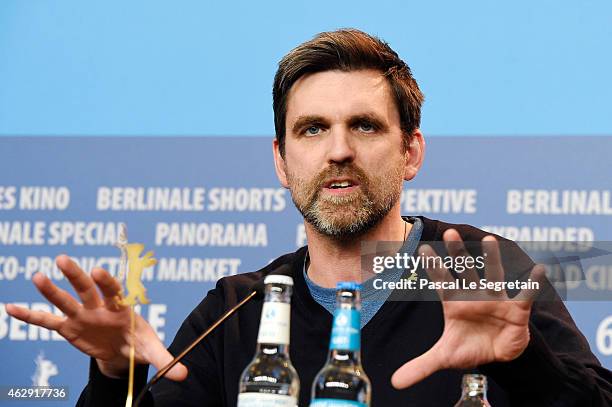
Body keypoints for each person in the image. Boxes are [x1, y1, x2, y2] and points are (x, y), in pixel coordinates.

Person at [5, 29, 611, 406]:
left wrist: (525, 362)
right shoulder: (238, 310)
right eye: (313, 128)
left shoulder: (480, 269)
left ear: (411, 152)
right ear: (281, 159)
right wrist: (117, 373)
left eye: (365, 126)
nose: (338, 149)